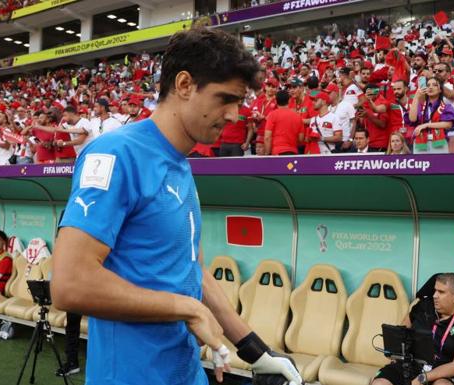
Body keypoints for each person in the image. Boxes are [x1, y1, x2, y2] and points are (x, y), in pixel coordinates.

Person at [51, 28, 303, 385]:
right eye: (225, 99)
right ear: (184, 85)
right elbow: (70, 284)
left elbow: (192, 270)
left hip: (185, 372)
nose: (234, 116)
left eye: (239, 103)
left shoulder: (181, 163)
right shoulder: (116, 154)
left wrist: (255, 350)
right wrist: (185, 308)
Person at [371, 273, 454, 385]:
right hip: (411, 364)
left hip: (441, 372)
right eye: (435, 290)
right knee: (379, 383)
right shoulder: (423, 307)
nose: (434, 295)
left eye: (441, 292)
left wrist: (423, 378)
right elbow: (402, 329)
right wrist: (397, 353)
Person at [407, 78, 454, 154]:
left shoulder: (446, 106)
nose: (430, 87)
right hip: (420, 143)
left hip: (439, 143)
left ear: (440, 90)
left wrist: (426, 125)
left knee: (439, 166)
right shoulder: (420, 106)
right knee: (422, 165)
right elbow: (412, 119)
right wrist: (416, 97)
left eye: (434, 85)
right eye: (428, 85)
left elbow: (448, 124)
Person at [264, 90, 304, 155]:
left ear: (276, 102)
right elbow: (301, 139)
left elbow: (267, 137)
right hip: (293, 152)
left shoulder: (272, 115)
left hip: (277, 152)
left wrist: (267, 153)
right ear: (289, 101)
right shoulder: (297, 116)